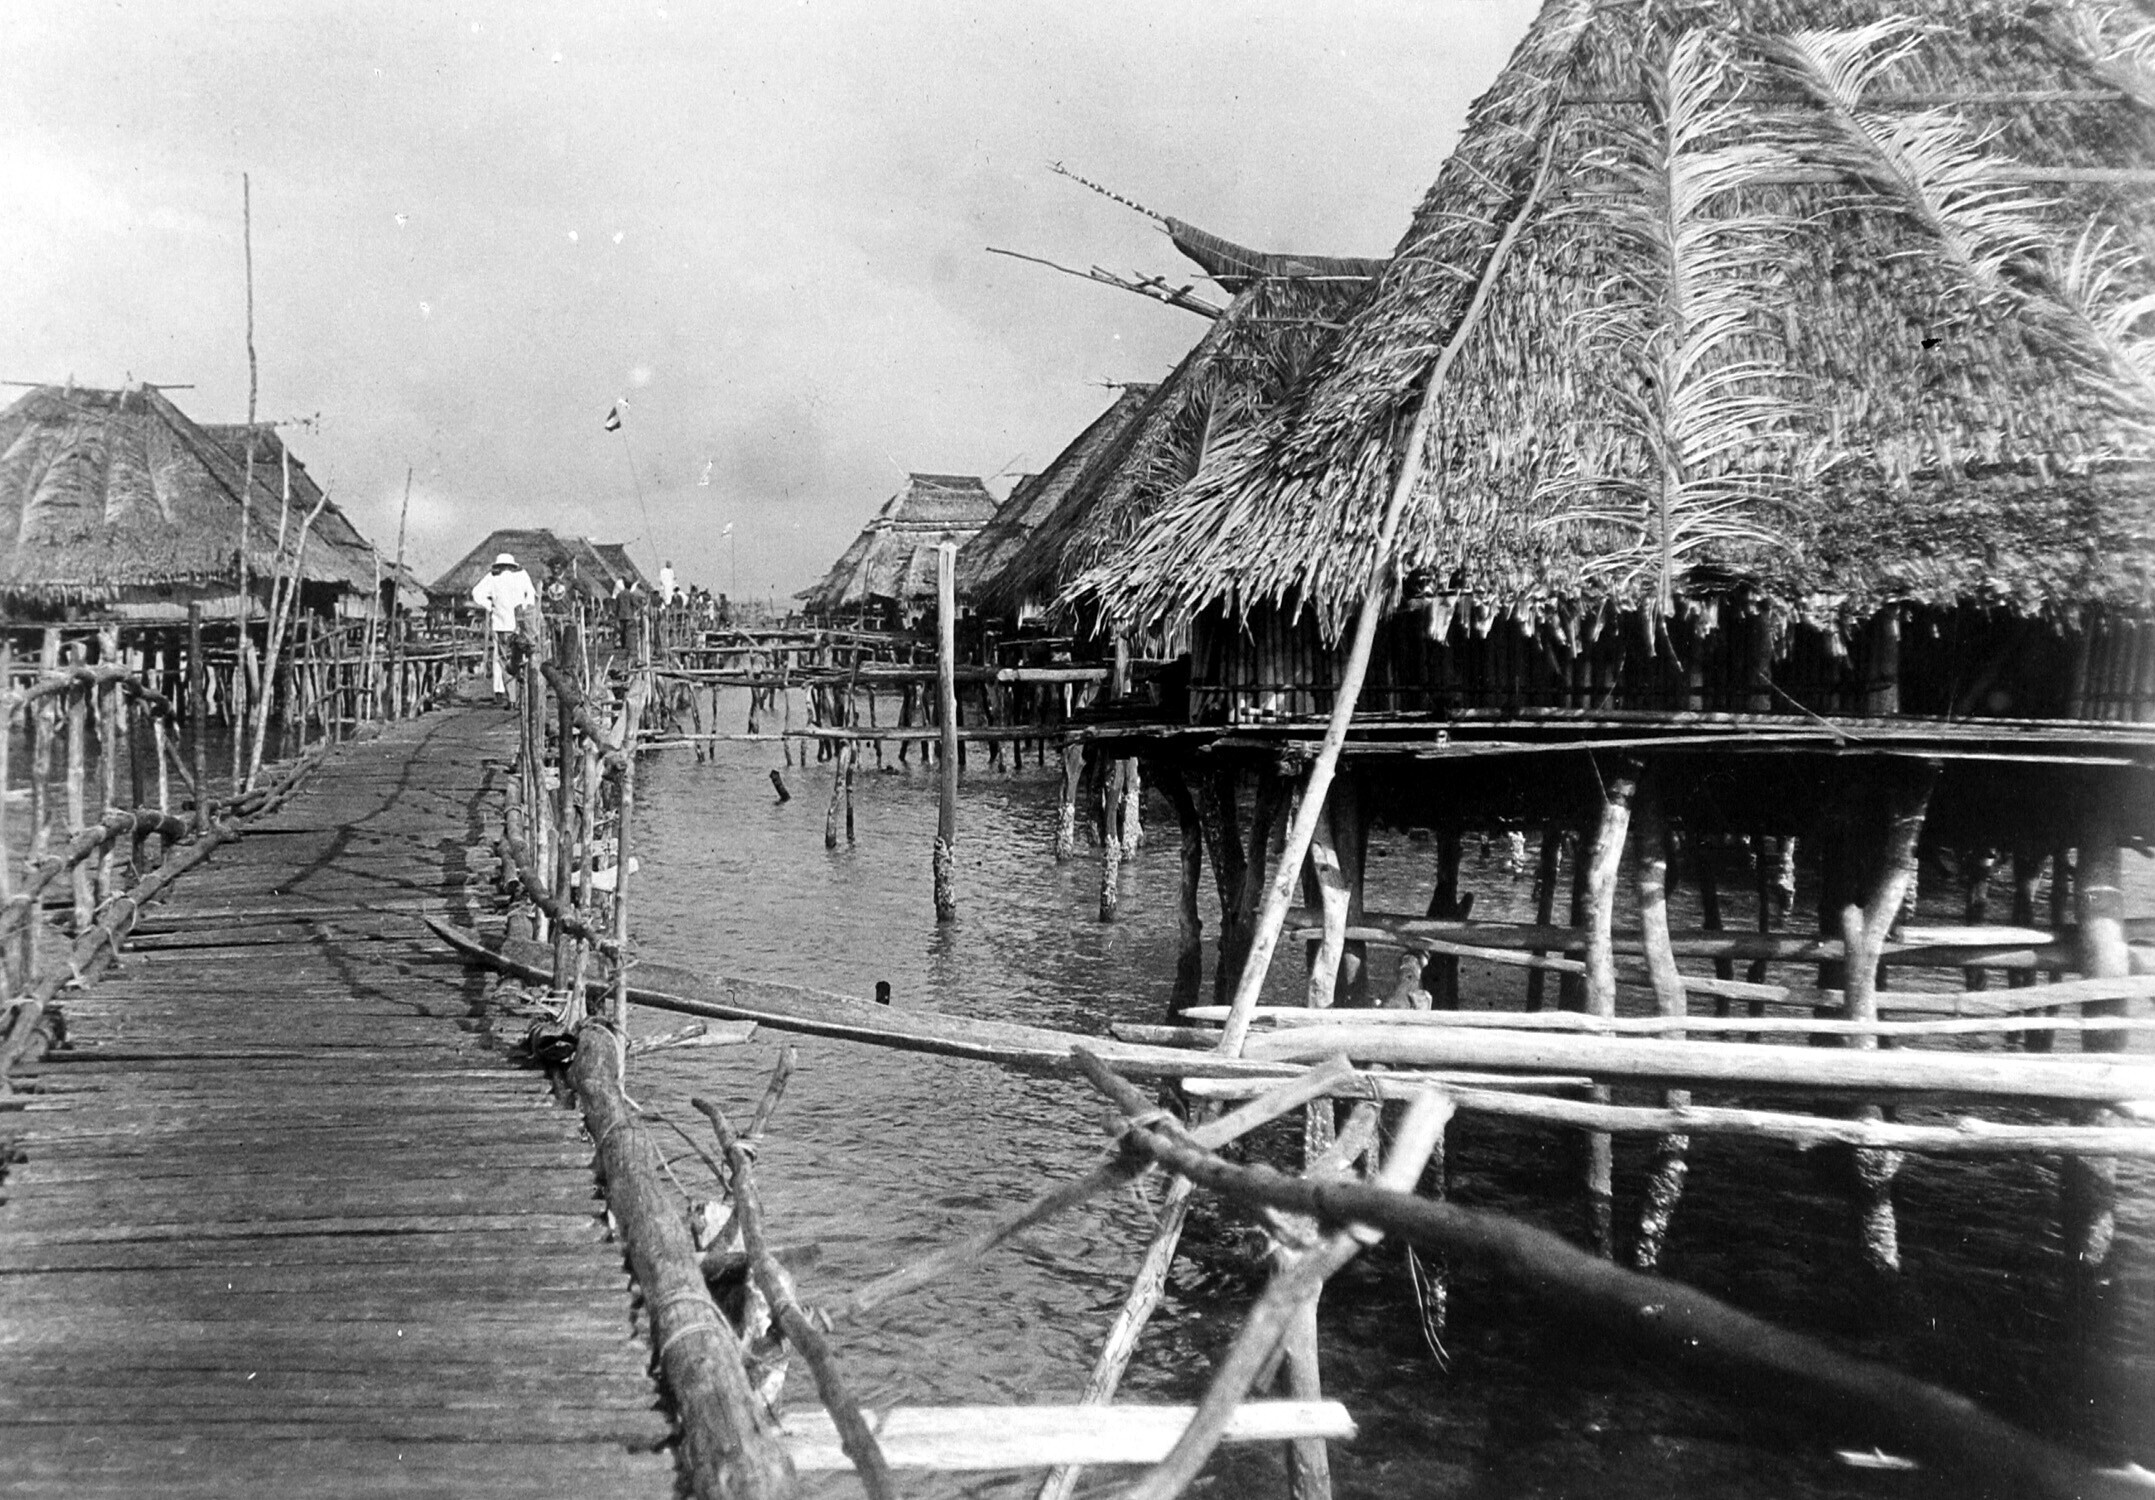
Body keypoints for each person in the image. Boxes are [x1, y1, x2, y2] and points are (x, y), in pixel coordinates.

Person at [471, 552, 538, 703]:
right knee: (522, 656)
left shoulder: (492, 578)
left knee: (502, 659)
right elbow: (532, 596)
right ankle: (523, 692)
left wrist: (490, 606)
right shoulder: (522, 576)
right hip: (520, 624)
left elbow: (476, 593)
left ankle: (507, 694)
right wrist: (525, 609)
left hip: (501, 624)